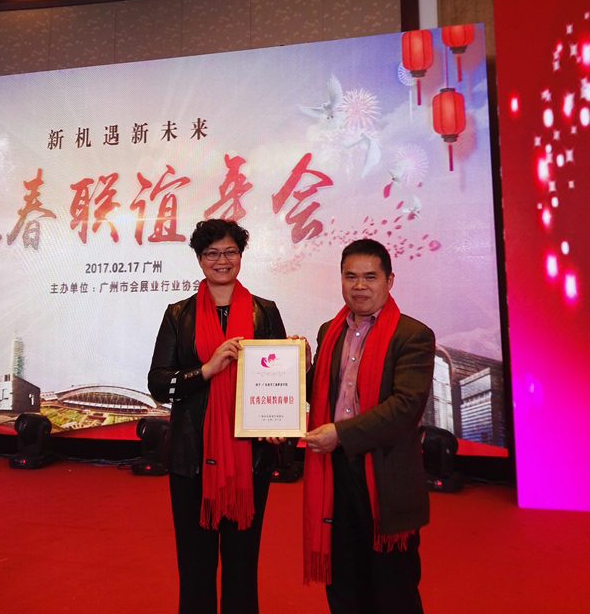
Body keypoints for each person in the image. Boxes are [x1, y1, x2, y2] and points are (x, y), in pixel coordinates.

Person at [148, 219, 286, 614]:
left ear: (240, 256)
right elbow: (158, 383)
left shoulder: (265, 312)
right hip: (191, 458)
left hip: (249, 458)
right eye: (212, 253)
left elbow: (281, 379)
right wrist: (206, 370)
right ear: (199, 259)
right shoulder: (178, 315)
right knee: (195, 567)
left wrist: (283, 419)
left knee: (242, 566)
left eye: (230, 252)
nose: (221, 260)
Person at [303, 238, 435, 614]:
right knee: (344, 583)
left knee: (394, 589)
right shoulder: (329, 331)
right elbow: (322, 395)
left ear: (389, 280)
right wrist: (300, 369)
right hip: (335, 472)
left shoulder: (412, 335)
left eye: (370, 277)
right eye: (350, 277)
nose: (359, 286)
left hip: (384, 474)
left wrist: (341, 434)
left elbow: (405, 408)